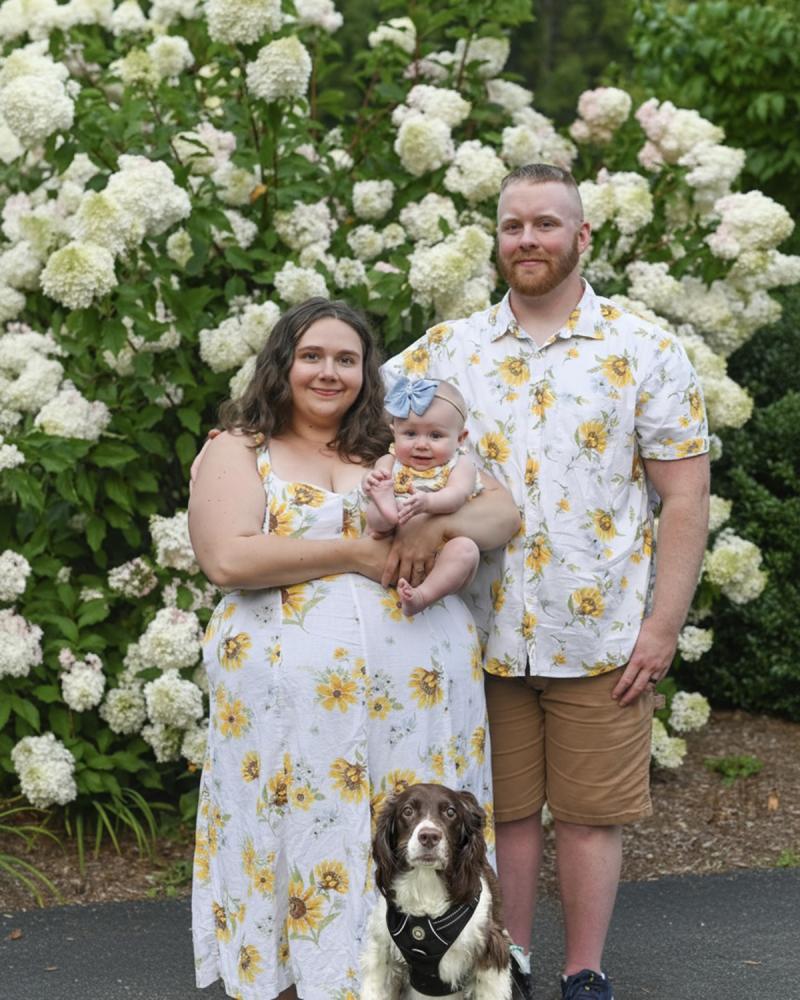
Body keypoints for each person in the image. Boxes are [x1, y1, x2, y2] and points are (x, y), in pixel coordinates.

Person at [382, 163, 710, 1000]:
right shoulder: (447, 351)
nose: (527, 239)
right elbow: (341, 410)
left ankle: (584, 971)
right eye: (513, 226)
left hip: (599, 632)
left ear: (581, 235)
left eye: (546, 224)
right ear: (497, 239)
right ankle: (512, 964)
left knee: (593, 815)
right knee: (504, 814)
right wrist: (244, 442)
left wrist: (662, 626)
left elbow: (685, 496)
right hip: (477, 630)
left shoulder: (643, 348)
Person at [187, 297, 519, 1000]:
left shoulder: (398, 444)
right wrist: (356, 554)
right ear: (282, 363)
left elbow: (501, 512)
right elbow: (227, 558)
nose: (329, 372)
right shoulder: (240, 448)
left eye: (347, 358)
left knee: (417, 841)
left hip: (417, 707)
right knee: (298, 833)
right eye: (312, 356)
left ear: (368, 372)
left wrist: (436, 526)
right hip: (290, 715)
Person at [363, 376, 482, 616]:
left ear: (460, 438)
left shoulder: (460, 465)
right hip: (387, 541)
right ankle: (388, 511)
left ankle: (422, 596)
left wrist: (428, 502)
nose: (421, 444)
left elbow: (457, 495)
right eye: (410, 434)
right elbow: (373, 479)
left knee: (467, 550)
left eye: (435, 436)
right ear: (394, 433)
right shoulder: (389, 460)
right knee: (375, 507)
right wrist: (372, 482)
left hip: (438, 553)